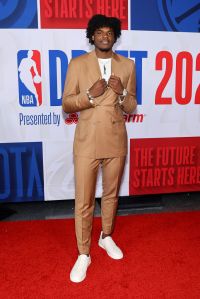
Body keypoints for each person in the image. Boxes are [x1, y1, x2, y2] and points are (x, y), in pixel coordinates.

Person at [62, 14, 137, 283]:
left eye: (109, 32)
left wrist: (123, 94)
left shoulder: (127, 65)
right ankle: (84, 253)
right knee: (83, 201)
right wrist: (90, 95)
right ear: (92, 36)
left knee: (111, 194)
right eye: (99, 32)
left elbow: (131, 107)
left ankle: (106, 237)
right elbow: (67, 104)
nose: (105, 36)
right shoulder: (78, 64)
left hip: (116, 139)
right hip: (86, 141)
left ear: (115, 36)